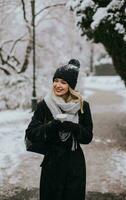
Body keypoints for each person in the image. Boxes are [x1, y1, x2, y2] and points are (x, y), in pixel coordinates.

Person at [25, 59, 93, 200]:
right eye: (56, 80)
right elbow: (30, 133)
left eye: (63, 82)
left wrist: (73, 127)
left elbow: (88, 137)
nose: (58, 85)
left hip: (75, 165)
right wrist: (51, 126)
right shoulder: (44, 104)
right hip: (52, 163)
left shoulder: (82, 106)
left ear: (71, 85)